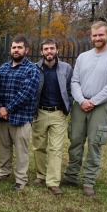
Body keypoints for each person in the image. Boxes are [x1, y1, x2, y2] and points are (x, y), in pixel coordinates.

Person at [62, 21, 107, 197]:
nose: (97, 38)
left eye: (101, 35)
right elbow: (74, 81)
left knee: (95, 143)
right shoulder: (83, 57)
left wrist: (94, 101)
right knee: (75, 139)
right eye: (94, 35)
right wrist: (82, 100)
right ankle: (71, 175)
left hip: (101, 105)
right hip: (80, 105)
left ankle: (88, 181)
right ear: (91, 36)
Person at [0, 36, 40, 191]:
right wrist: (0, 107)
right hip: (3, 116)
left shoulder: (32, 69)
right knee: (3, 146)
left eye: (19, 47)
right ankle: (3, 172)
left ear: (26, 50)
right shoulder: (3, 68)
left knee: (21, 149)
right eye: (13, 47)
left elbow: (27, 93)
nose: (16, 50)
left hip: (21, 117)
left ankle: (21, 179)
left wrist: (8, 108)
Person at [32, 38, 73, 195]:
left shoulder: (66, 68)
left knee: (55, 148)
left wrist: (67, 106)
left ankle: (53, 182)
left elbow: (71, 88)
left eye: (52, 48)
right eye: (46, 49)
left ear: (57, 50)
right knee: (39, 146)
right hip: (39, 112)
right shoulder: (35, 68)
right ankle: (41, 175)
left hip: (58, 113)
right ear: (41, 52)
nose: (49, 51)